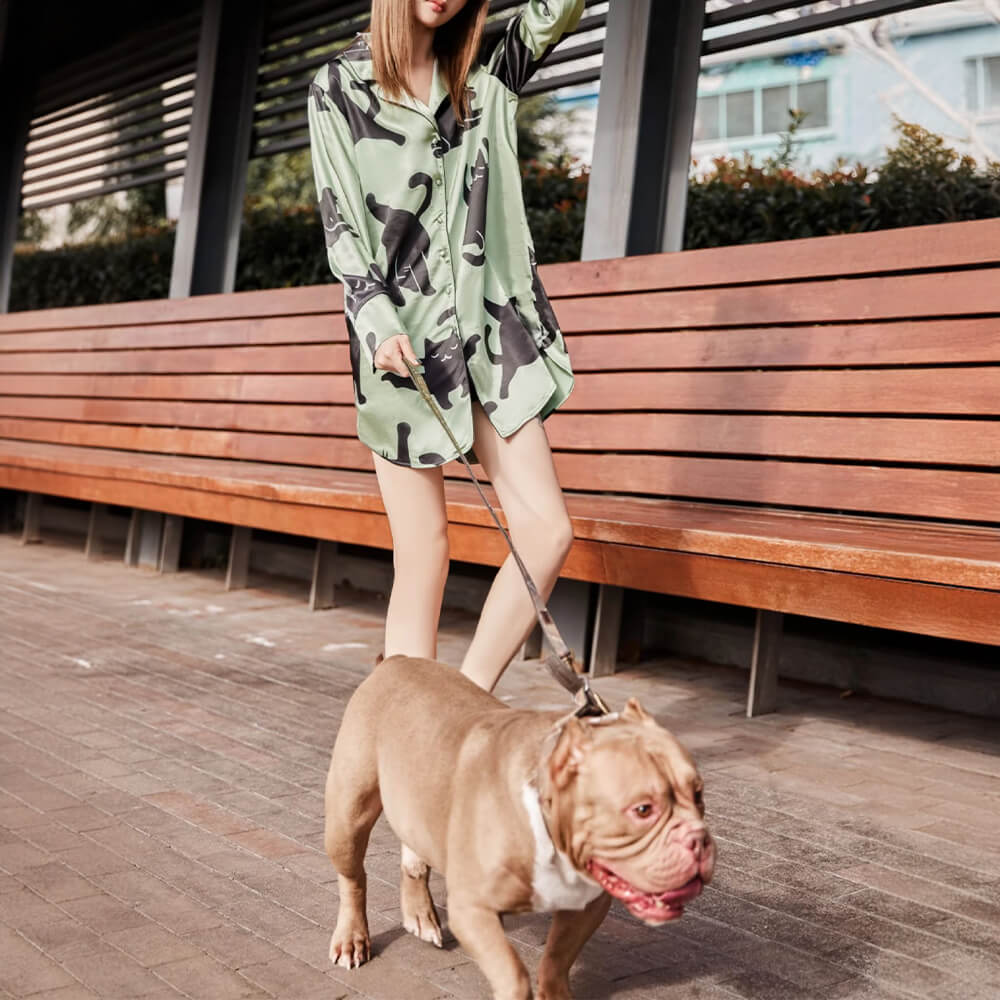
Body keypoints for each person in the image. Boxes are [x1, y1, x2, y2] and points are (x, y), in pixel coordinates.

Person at [307, 0, 585, 692]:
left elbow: (558, 10)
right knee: (424, 551)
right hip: (400, 347)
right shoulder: (339, 88)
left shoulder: (487, 74)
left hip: (495, 338)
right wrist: (376, 323)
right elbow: (342, 226)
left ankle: (462, 701)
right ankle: (404, 736)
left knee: (547, 531)